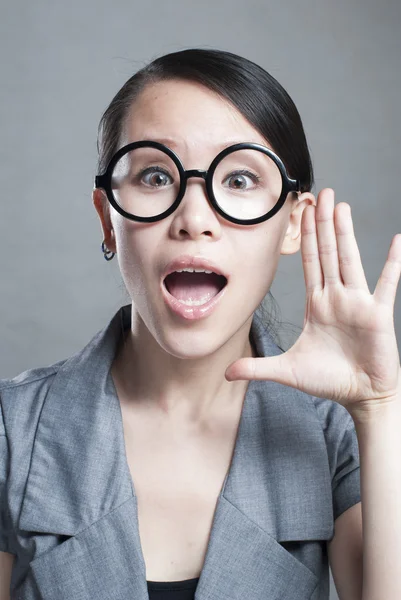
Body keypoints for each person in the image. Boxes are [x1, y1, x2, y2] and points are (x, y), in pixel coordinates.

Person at [1, 48, 400, 600]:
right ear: (108, 218)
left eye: (238, 180)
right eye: (157, 175)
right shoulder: (10, 432)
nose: (193, 218)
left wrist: (379, 409)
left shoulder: (335, 438)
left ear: (292, 224)